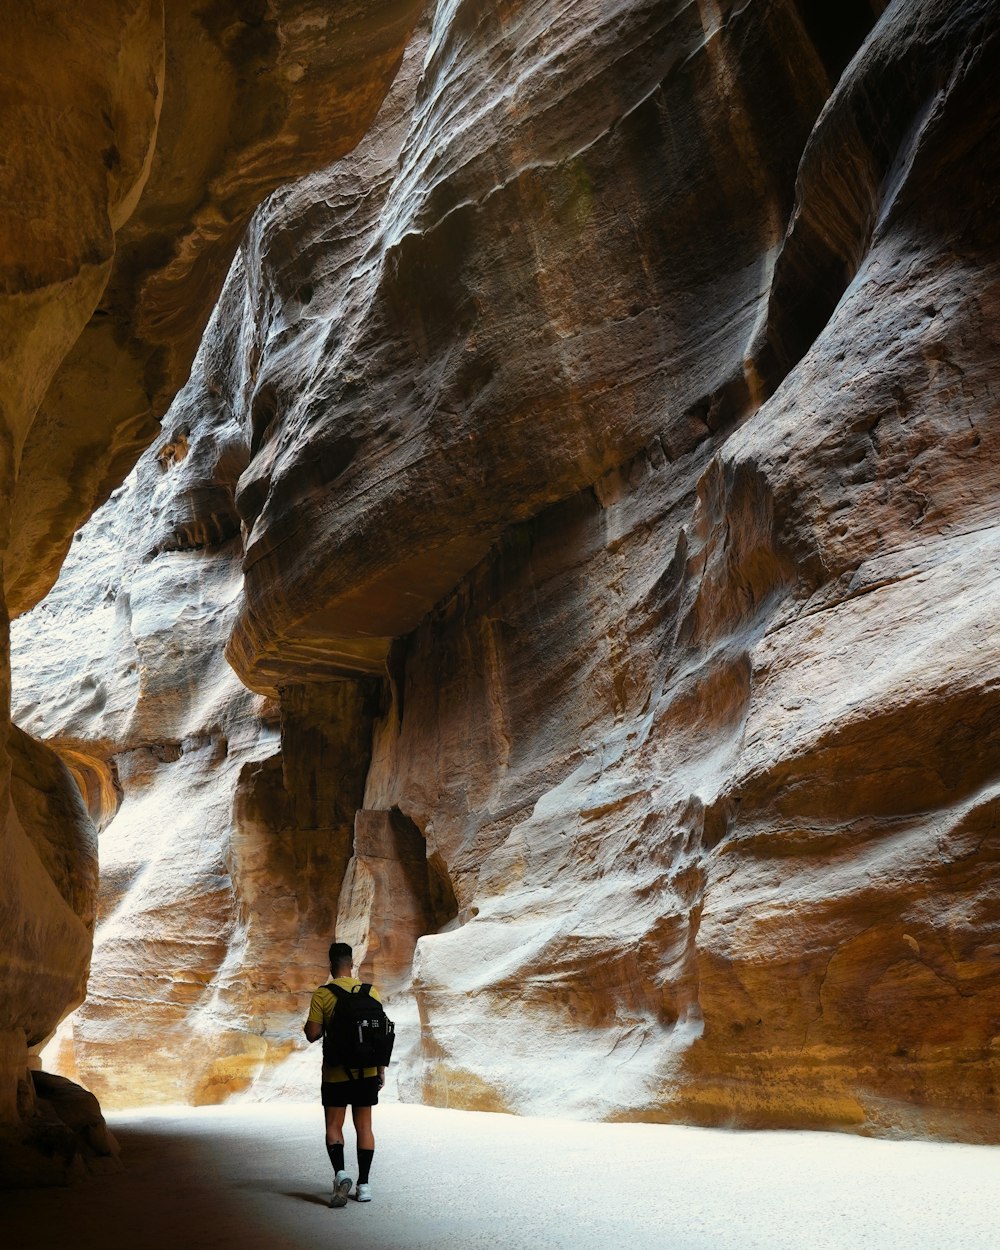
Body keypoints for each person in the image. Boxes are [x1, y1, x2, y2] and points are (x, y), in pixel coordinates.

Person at [304, 941, 386, 1206]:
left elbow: (312, 1034)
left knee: (333, 1126)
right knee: (364, 1126)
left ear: (331, 965)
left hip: (336, 1073)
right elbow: (379, 1035)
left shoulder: (323, 994)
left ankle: (340, 1174)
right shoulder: (370, 992)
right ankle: (364, 1185)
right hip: (367, 1071)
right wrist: (380, 1070)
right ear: (352, 964)